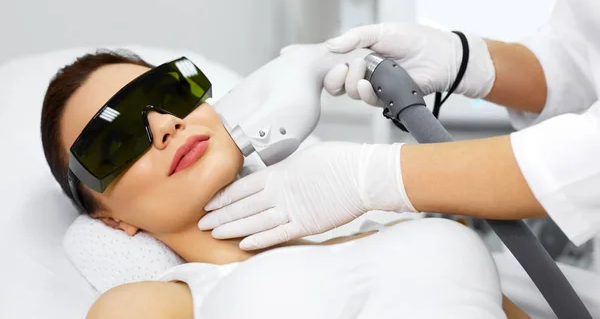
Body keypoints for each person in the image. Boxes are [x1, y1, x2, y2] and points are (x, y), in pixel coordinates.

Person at [198, 0, 600, 256]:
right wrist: (464, 59)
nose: (171, 125)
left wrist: (376, 177)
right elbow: (581, 54)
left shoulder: (417, 250)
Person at [41, 50, 525, 318]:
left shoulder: (382, 224)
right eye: (119, 137)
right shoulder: (150, 305)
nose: (166, 123)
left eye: (165, 93)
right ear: (110, 217)